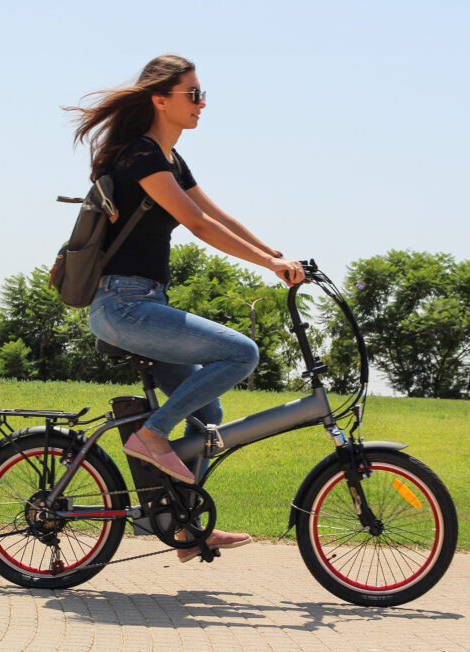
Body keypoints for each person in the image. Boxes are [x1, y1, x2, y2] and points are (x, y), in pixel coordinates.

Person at [66, 55, 304, 562]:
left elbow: (218, 215)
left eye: (201, 95)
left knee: (208, 412)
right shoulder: (139, 157)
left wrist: (275, 254)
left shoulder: (170, 159)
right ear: (160, 98)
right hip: (123, 304)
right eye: (192, 94)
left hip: (145, 302)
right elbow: (197, 225)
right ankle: (151, 435)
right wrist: (268, 264)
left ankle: (182, 529)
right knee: (242, 354)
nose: (201, 104)